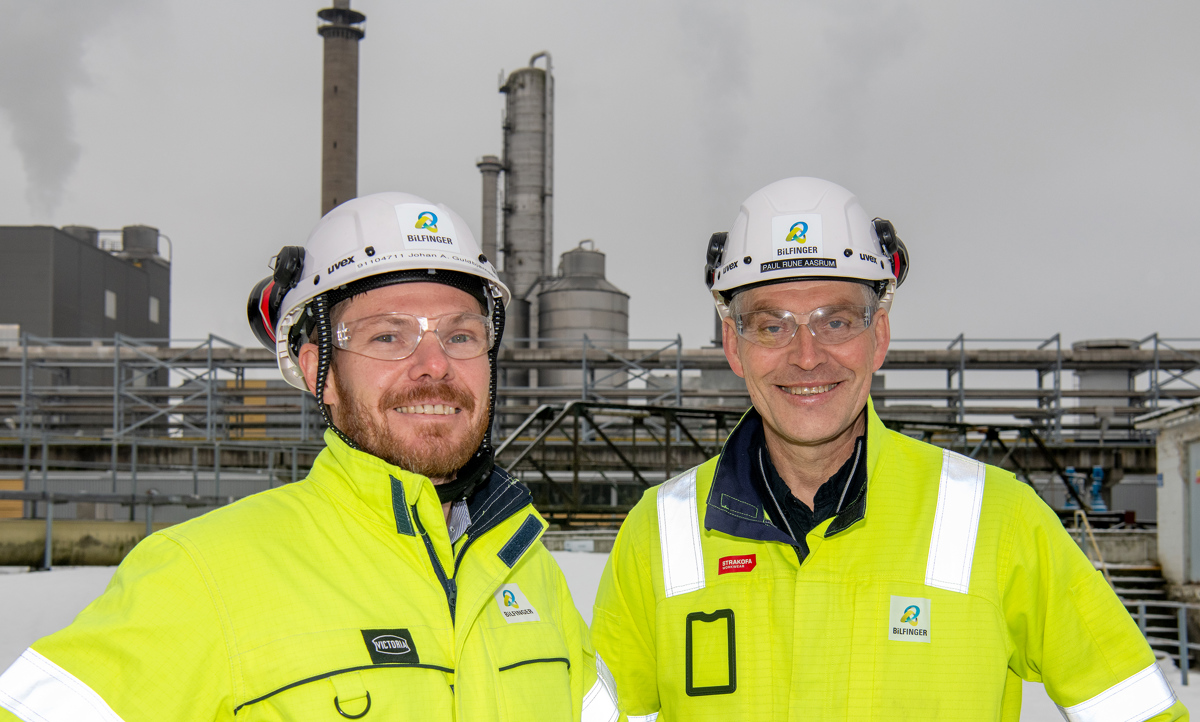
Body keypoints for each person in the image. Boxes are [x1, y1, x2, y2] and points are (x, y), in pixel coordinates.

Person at [0, 192, 618, 721]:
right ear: (317, 370)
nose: (435, 366)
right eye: (387, 336)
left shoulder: (529, 571)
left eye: (461, 335)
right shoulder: (204, 575)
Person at [590, 177, 1184, 721]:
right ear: (733, 345)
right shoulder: (658, 534)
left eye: (837, 321)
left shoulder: (999, 521)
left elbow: (1134, 710)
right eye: (773, 325)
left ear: (879, 336)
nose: (805, 355)